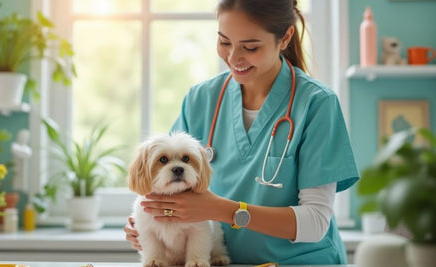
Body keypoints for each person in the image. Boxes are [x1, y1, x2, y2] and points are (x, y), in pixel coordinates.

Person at [124, 0, 359, 265]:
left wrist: (222, 210)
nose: (233, 58)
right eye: (224, 42)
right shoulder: (201, 100)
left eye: (250, 47)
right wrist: (149, 223)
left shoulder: (317, 104)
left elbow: (316, 222)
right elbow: (165, 183)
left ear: (285, 38)